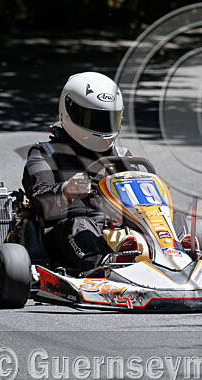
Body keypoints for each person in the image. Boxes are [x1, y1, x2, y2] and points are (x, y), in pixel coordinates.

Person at [22, 72, 131, 272]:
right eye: (96, 120)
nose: (103, 128)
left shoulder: (122, 156)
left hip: (119, 230)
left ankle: (180, 255)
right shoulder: (45, 153)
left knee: (173, 217)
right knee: (79, 225)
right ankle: (108, 266)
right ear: (70, 111)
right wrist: (66, 191)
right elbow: (38, 200)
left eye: (110, 120)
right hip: (65, 235)